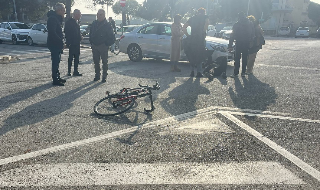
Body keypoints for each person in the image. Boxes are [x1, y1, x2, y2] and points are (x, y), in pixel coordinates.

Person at [182, 8, 209, 78]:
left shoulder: (192, 18)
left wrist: (188, 35)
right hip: (200, 39)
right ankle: (199, 72)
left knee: (192, 55)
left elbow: (184, 27)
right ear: (204, 12)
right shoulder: (205, 17)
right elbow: (207, 23)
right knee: (200, 55)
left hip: (192, 39)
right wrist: (203, 31)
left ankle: (192, 72)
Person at [89, 9, 114, 83]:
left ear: (104, 15)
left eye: (101, 15)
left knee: (104, 62)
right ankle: (97, 75)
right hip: (95, 45)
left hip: (103, 45)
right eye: (98, 14)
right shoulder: (94, 23)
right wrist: (91, 42)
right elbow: (91, 33)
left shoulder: (107, 24)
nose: (99, 16)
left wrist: (106, 44)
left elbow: (112, 36)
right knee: (96, 61)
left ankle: (104, 76)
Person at [228, 12, 255, 78]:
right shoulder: (250, 24)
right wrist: (251, 41)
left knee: (237, 58)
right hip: (247, 43)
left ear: (239, 17)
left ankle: (236, 73)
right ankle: (243, 72)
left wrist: (230, 45)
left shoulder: (236, 24)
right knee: (245, 58)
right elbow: (253, 34)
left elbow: (232, 35)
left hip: (239, 42)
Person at [47, 3, 66, 86]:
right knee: (55, 61)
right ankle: (55, 79)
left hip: (57, 44)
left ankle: (57, 77)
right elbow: (53, 33)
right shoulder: (52, 19)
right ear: (59, 10)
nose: (64, 12)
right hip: (54, 44)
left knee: (57, 61)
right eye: (64, 10)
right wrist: (61, 42)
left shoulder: (57, 18)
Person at [64, 9, 83, 77]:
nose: (80, 16)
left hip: (77, 42)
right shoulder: (70, 22)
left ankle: (75, 71)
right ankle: (69, 71)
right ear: (75, 14)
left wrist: (80, 36)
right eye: (79, 14)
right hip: (72, 42)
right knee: (71, 57)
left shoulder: (77, 22)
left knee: (77, 57)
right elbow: (67, 32)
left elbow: (77, 31)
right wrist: (68, 42)